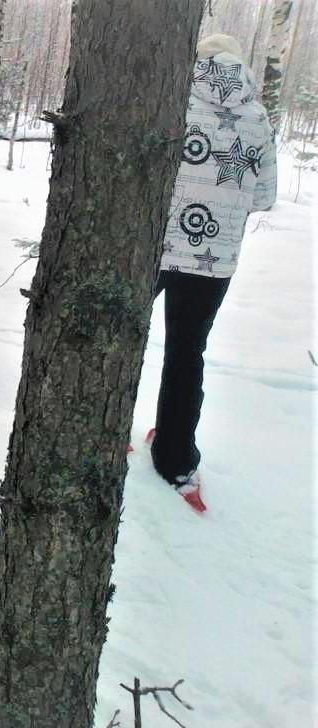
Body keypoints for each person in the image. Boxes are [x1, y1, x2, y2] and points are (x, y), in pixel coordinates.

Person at [151, 33, 277, 497]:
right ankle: (175, 459)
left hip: (156, 246)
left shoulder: (172, 100)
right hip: (215, 255)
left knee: (121, 337)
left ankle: (105, 428)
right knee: (187, 353)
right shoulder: (258, 116)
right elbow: (264, 196)